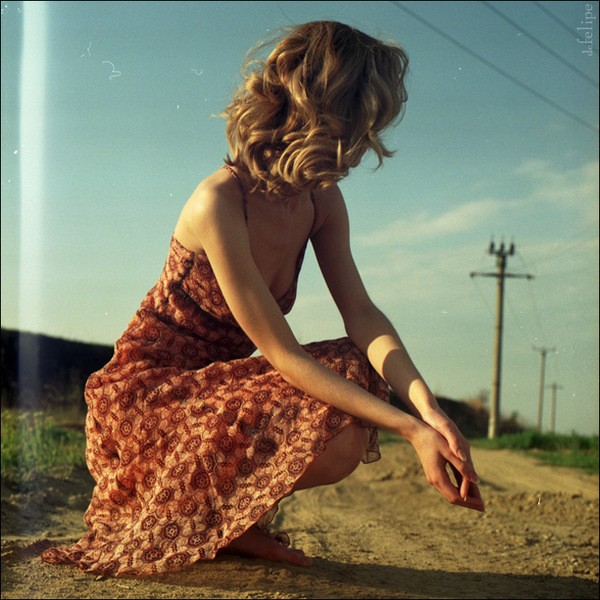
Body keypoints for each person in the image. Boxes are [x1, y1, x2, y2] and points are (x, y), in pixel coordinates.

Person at [41, 20, 484, 578]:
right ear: (327, 113)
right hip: (147, 400)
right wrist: (410, 430)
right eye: (363, 122)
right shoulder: (219, 202)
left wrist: (428, 409)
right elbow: (283, 354)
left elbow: (363, 314)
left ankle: (227, 522)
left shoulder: (321, 201)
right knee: (345, 413)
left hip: (216, 392)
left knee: (352, 378)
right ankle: (223, 522)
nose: (367, 142)